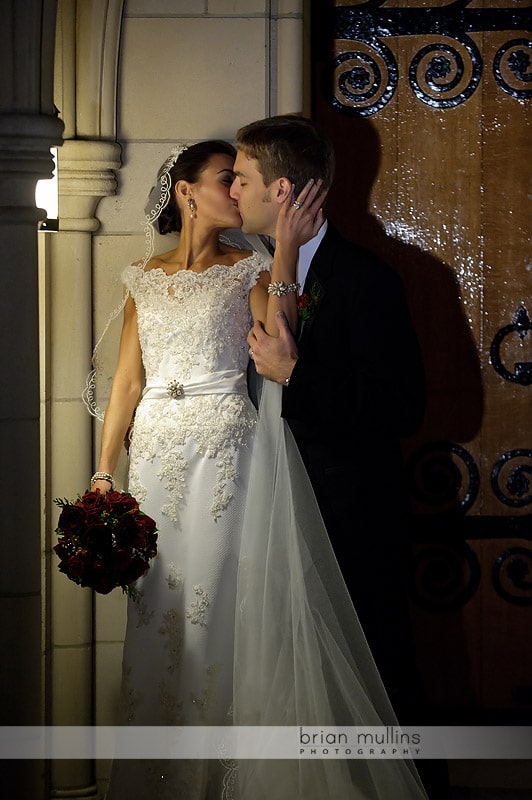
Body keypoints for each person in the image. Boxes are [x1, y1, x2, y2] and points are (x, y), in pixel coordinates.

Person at [88, 137, 430, 799]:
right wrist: (104, 476)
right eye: (226, 179)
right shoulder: (141, 277)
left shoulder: (249, 268)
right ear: (186, 193)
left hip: (224, 453)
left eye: (239, 178)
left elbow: (280, 343)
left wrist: (287, 264)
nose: (235, 191)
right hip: (156, 457)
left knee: (221, 608)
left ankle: (226, 775)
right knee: (159, 613)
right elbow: (126, 385)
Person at [231, 114, 449, 799]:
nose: (233, 191)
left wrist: (299, 377)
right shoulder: (267, 275)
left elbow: (402, 409)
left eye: (242, 178)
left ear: (285, 189)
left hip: (352, 515)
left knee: (378, 673)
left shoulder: (367, 279)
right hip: (280, 512)